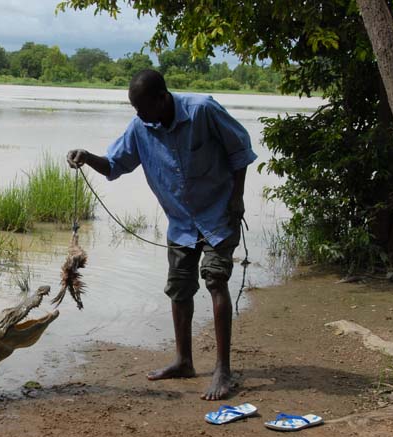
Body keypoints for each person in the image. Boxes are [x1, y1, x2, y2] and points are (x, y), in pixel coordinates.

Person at [67, 69, 257, 400]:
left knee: (215, 280)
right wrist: (87, 157)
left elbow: (240, 150)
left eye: (142, 108)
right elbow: (115, 164)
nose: (138, 115)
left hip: (219, 213)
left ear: (161, 98)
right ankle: (184, 361)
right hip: (181, 222)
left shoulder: (202, 110)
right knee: (179, 288)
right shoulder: (141, 126)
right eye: (134, 109)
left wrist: (238, 197)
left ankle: (223, 371)